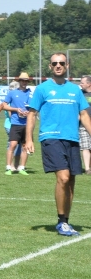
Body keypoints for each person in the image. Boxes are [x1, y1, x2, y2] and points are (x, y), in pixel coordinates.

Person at [25, 53, 91, 237]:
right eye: (55, 63)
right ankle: (61, 221)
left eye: (61, 63)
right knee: (63, 177)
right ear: (50, 66)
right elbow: (32, 114)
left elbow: (84, 115)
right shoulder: (42, 89)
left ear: (67, 65)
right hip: (51, 138)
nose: (58, 65)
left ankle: (65, 221)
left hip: (72, 139)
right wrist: (28, 139)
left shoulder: (75, 90)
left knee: (71, 181)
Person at [2, 73, 32, 175]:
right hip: (15, 123)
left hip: (27, 124)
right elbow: (4, 106)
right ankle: (8, 167)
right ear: (19, 81)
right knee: (12, 145)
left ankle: (22, 167)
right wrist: (16, 109)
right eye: (22, 80)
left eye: (26, 81)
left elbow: (34, 108)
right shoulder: (12, 93)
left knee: (25, 146)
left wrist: (29, 112)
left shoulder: (30, 93)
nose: (24, 82)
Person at [80, 75, 91, 175]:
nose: (80, 84)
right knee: (85, 146)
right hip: (83, 124)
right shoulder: (80, 94)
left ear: (89, 84)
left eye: (82, 83)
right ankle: (87, 168)